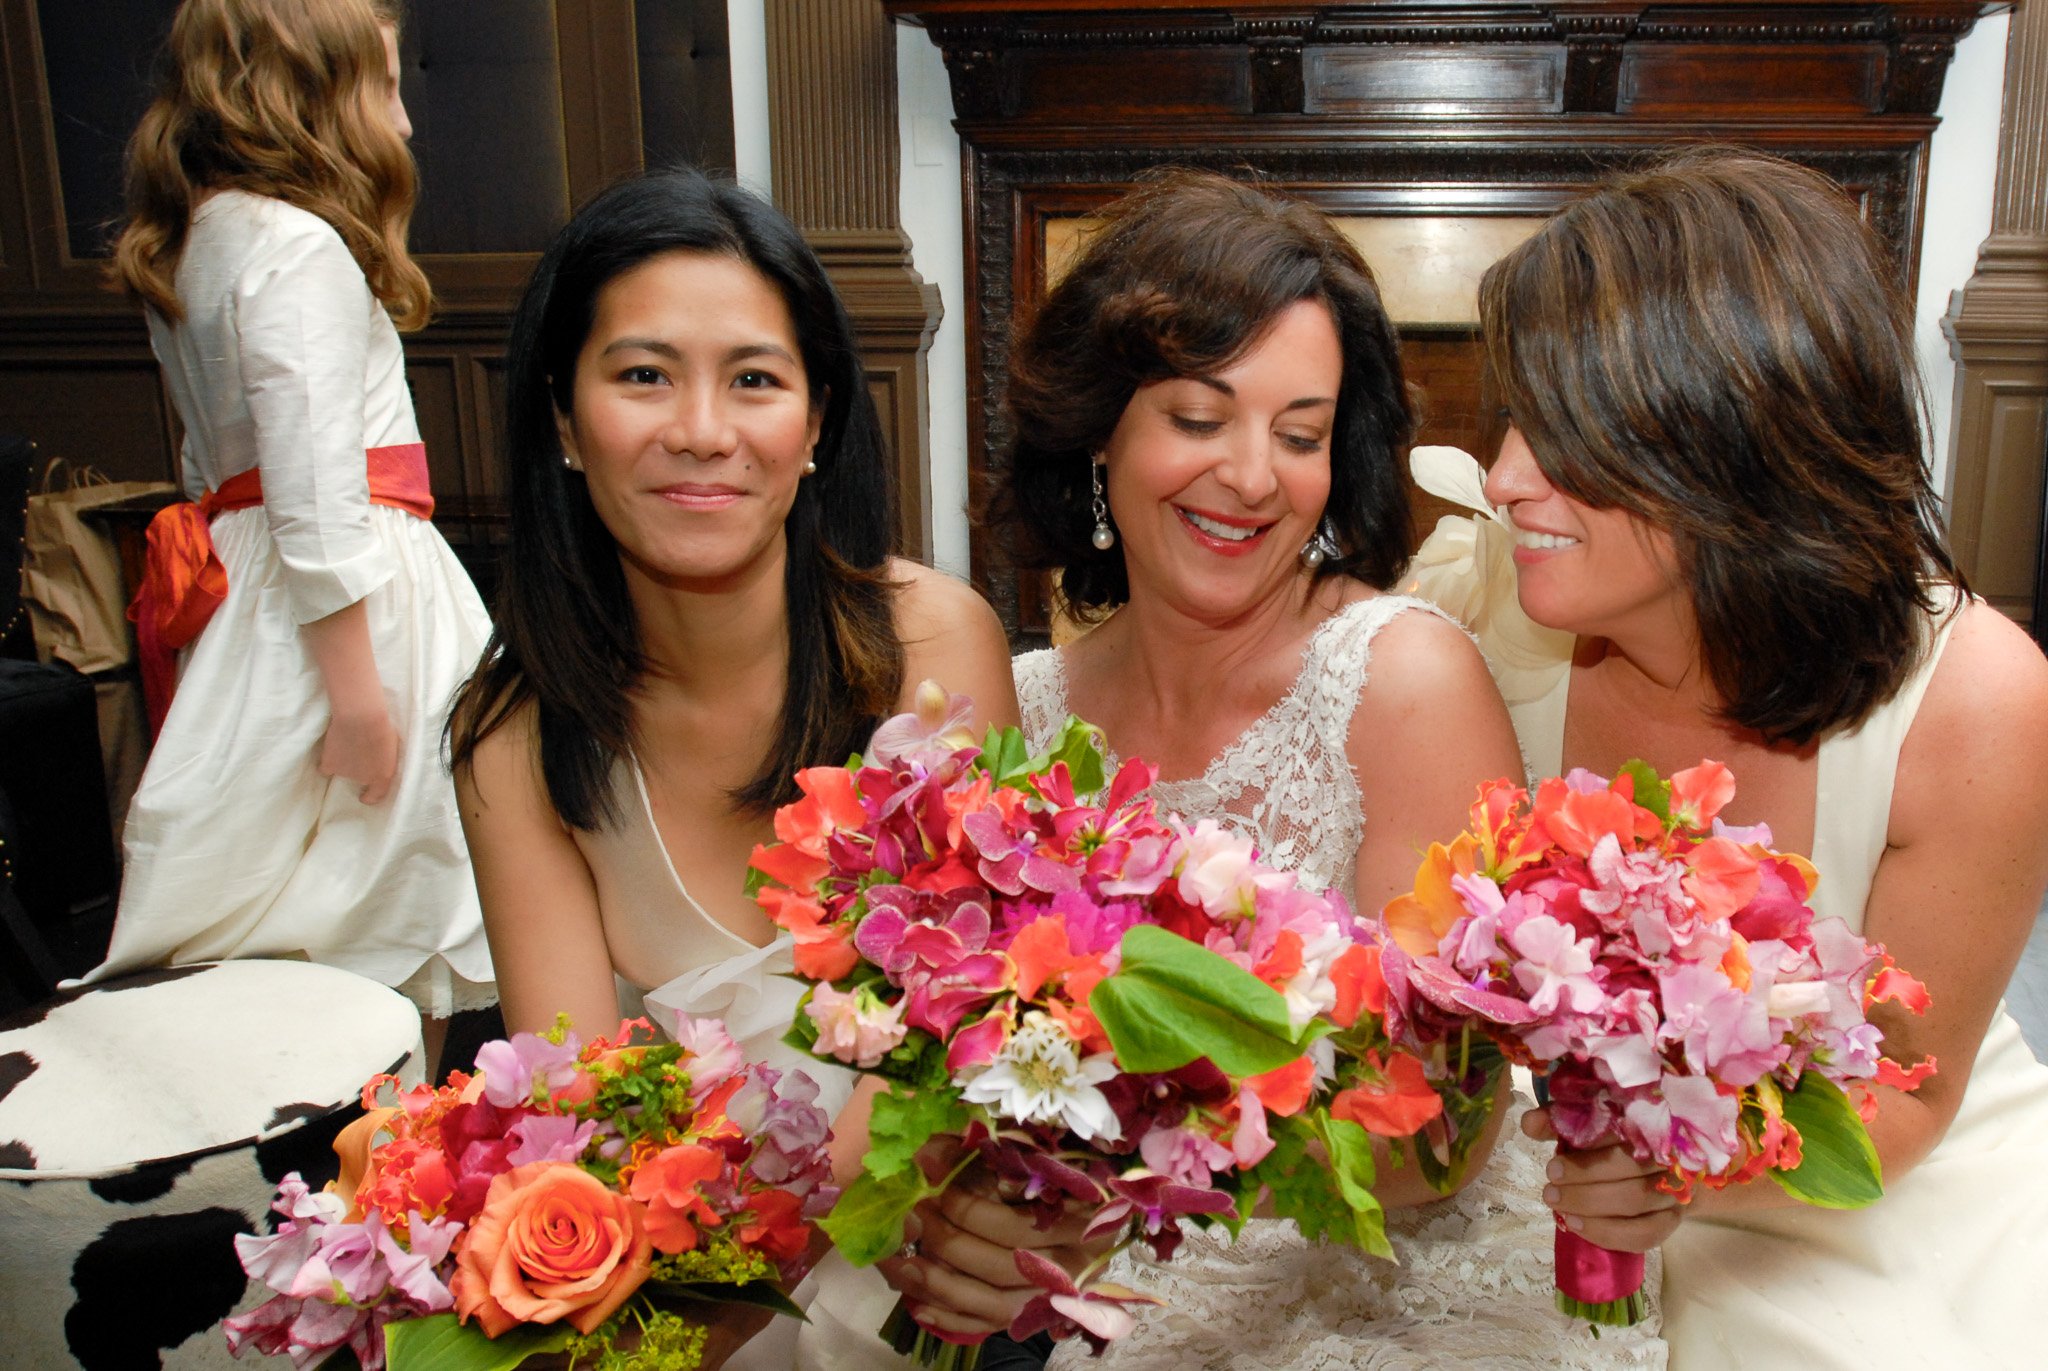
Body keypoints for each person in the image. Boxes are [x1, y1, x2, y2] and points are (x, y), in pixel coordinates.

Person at [907, 169, 1664, 1369]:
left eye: (1298, 433)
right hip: (1122, 1274)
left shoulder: (1398, 679)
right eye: (1198, 420)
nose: (1253, 476)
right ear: (1098, 435)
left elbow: (1443, 1136)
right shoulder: (1027, 707)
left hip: (1402, 1271)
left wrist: (1121, 1183)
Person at [1419, 147, 2048, 1367]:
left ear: (1725, 438)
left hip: (1850, 1195)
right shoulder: (1479, 623)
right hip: (1543, 1172)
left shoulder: (1974, 699)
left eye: (1558, 430)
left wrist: (1668, 1187)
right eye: (1505, 422)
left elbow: (1908, 1094)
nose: (1501, 479)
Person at [445, 167, 1021, 1369]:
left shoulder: (929, 647)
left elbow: (965, 1035)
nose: (701, 431)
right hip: (689, 1259)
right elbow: (582, 1120)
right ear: (562, 417)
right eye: (642, 374)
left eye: (752, 379)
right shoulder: (514, 734)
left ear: (814, 426)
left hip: (924, 1221)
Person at [87, 0, 494, 1047]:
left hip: (249, 576)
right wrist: (357, 697)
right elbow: (312, 487)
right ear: (305, 97)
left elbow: (205, 463)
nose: (403, 124)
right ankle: (392, 1141)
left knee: (281, 869)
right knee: (385, 880)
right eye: (385, 88)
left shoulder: (197, 237)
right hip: (351, 593)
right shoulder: (299, 244)